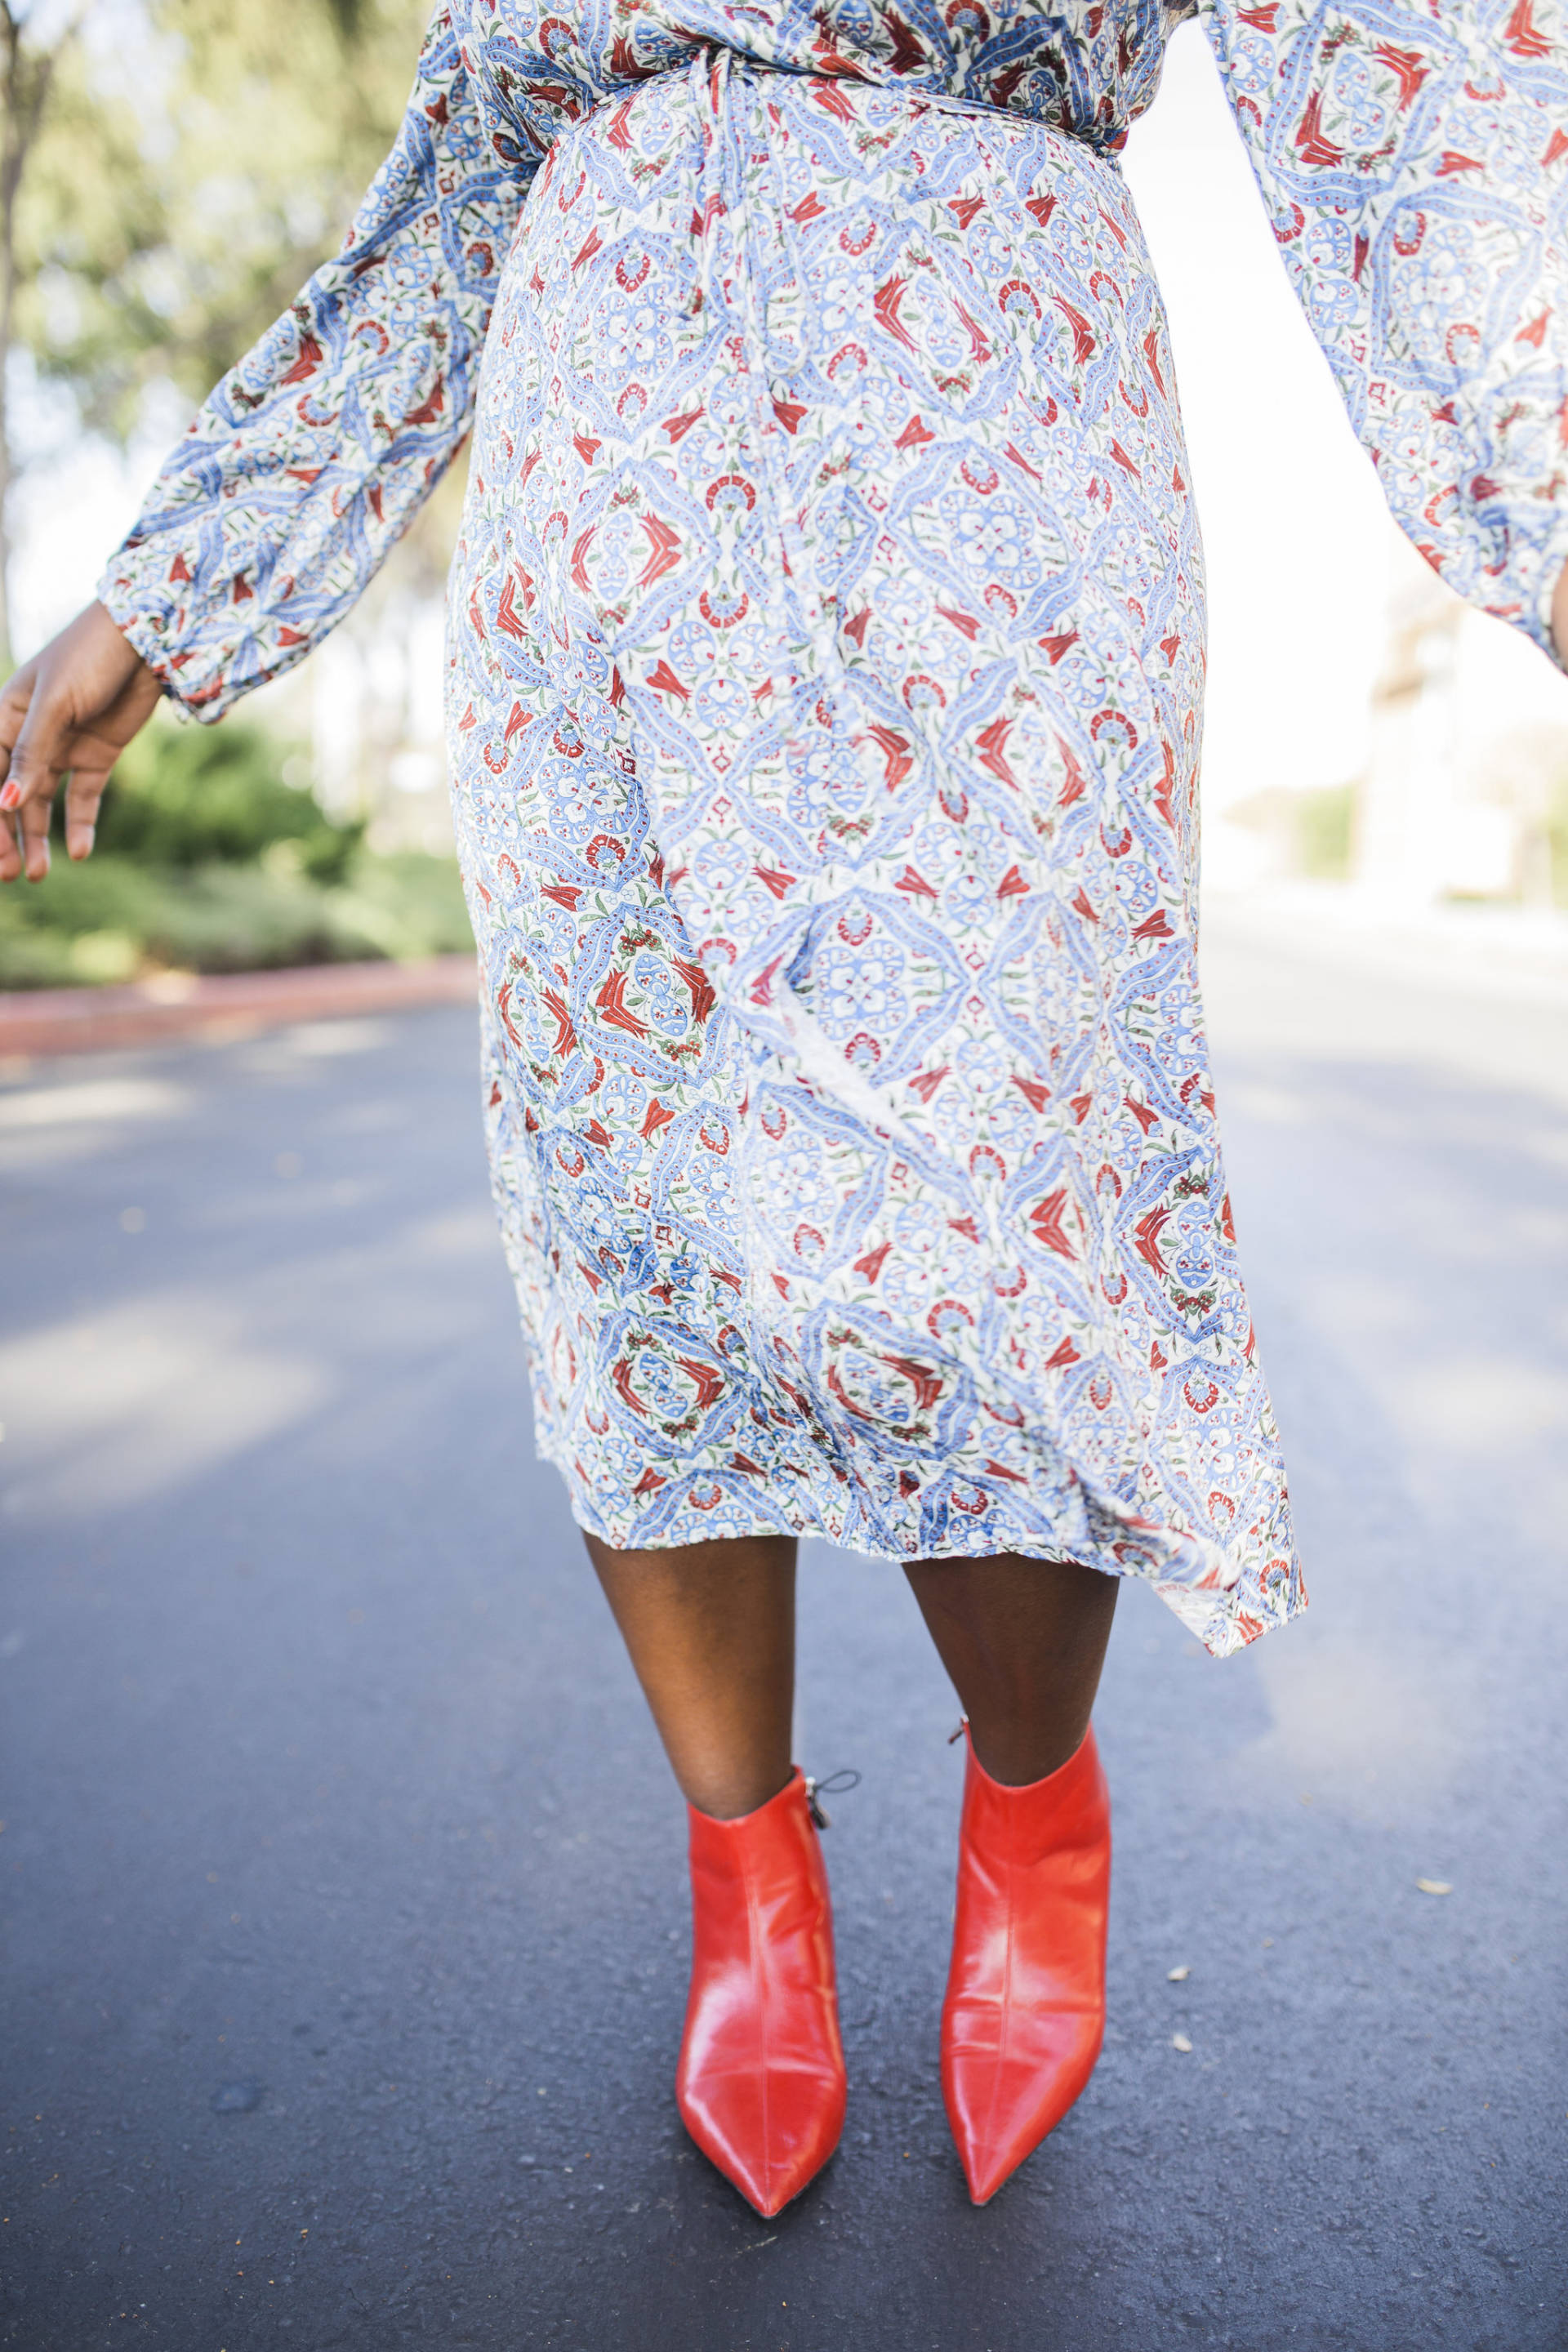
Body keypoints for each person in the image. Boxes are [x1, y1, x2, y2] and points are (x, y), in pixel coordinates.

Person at [2, 0, 1565, 2221]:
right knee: (636, 1231)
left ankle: (1032, 1795)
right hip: (600, 506)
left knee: (1012, 1207)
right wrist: (170, 596)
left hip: (989, 466)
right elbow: (452, 187)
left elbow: (1411, 64)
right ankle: (749, 1863)